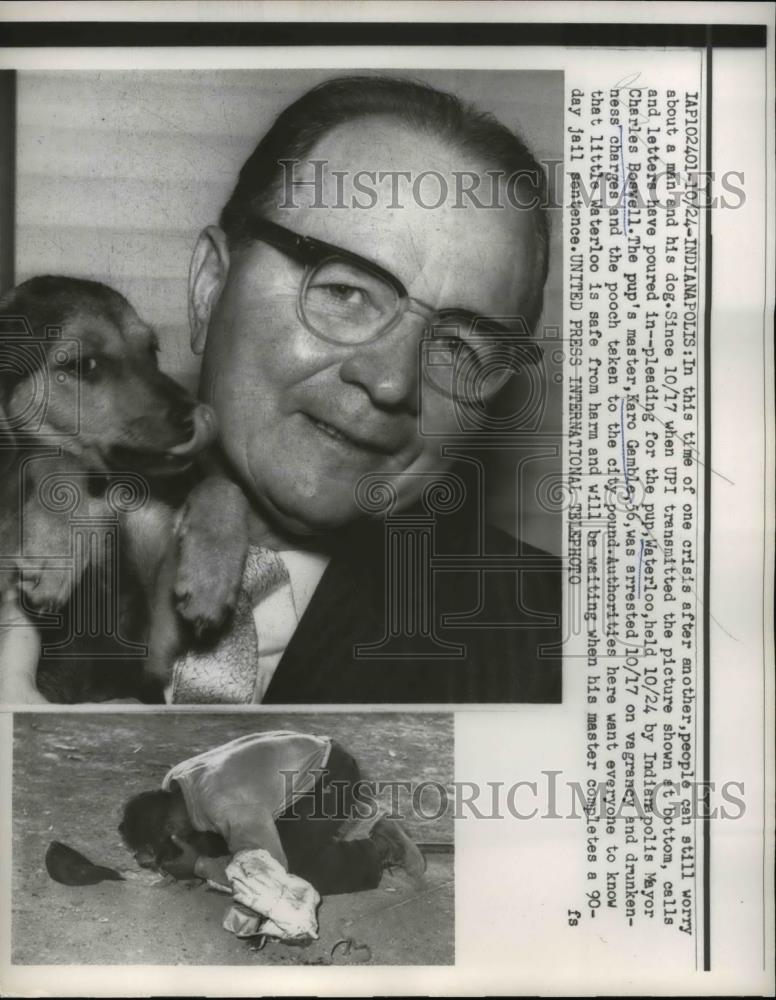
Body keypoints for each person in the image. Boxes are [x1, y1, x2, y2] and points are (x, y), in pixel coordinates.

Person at [2, 73, 562, 705]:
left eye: (461, 347)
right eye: (345, 292)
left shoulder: (564, 652)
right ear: (210, 287)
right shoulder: (44, 523)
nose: (389, 381)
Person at [118, 730, 425, 900]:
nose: (158, 864)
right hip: (297, 763)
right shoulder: (173, 784)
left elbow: (269, 871)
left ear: (172, 827)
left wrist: (199, 865)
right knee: (228, 845)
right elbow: (208, 830)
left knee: (290, 880)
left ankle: (383, 846)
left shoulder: (226, 804)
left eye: (158, 855)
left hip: (331, 777)